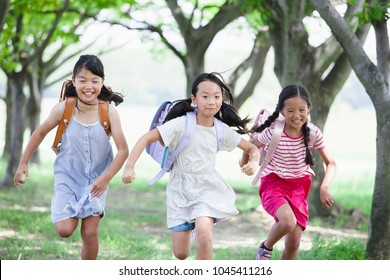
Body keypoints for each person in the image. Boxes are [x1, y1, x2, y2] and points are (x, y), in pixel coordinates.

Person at [122, 72, 260, 260]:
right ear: (194, 99)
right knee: (181, 253)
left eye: (217, 97)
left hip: (207, 188)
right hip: (181, 190)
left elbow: (251, 148)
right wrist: (129, 166)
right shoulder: (181, 124)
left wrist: (253, 162)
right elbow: (146, 138)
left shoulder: (220, 129)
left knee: (204, 232)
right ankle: (193, 227)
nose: (211, 101)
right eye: (205, 96)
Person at [13, 54, 129, 260]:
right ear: (73, 81)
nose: (88, 86)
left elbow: (123, 150)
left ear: (102, 83)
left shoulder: (109, 113)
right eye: (82, 80)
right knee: (65, 229)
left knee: (90, 233)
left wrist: (105, 179)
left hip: (97, 180)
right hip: (68, 176)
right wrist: (23, 163)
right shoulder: (63, 109)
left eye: (95, 81)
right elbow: (40, 132)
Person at [241, 84, 336, 260]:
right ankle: (265, 249)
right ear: (281, 111)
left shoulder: (313, 132)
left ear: (309, 109)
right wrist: (248, 159)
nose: (297, 115)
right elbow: (252, 148)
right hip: (273, 184)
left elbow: (331, 163)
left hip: (299, 188)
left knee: (293, 245)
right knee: (287, 222)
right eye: (291, 110)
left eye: (302, 110)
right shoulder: (274, 131)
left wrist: (325, 187)